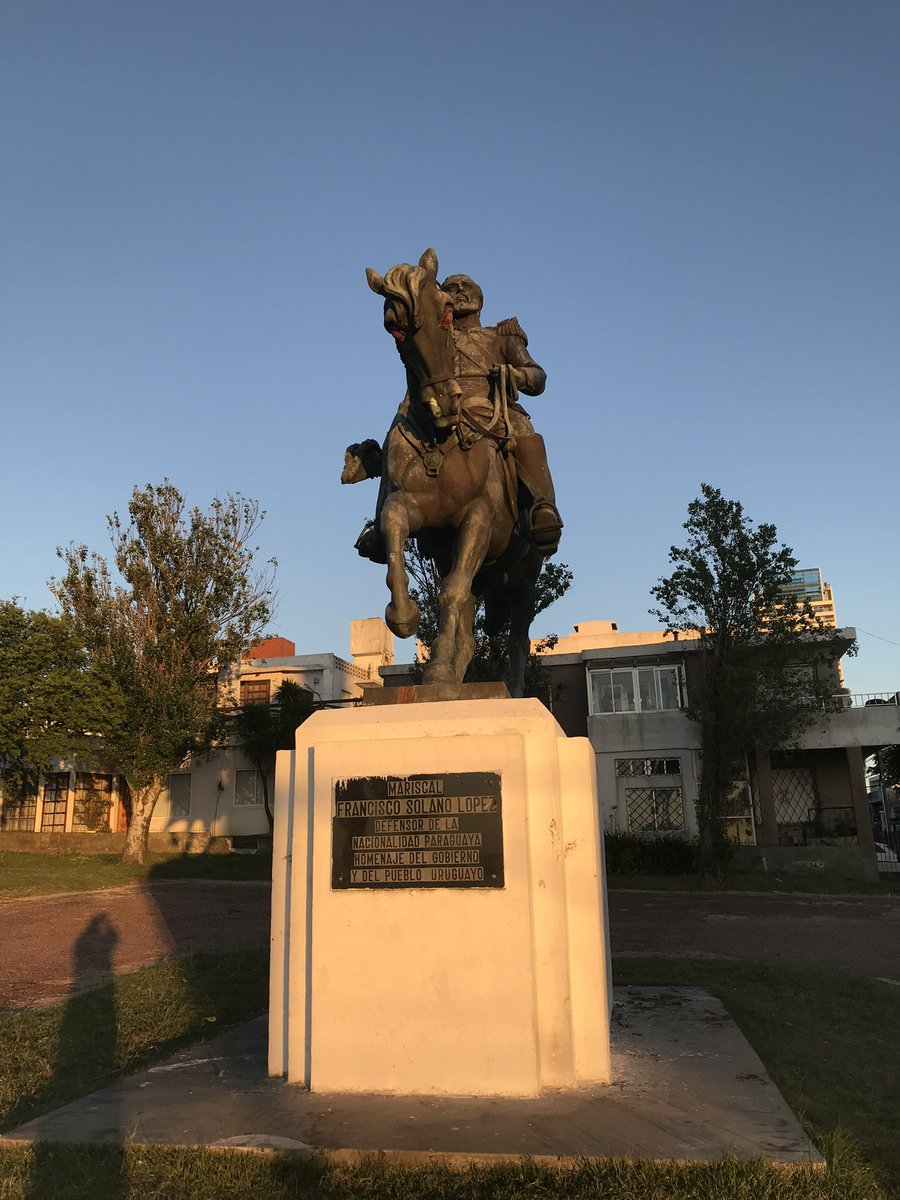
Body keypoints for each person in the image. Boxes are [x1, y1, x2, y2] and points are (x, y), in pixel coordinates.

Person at [355, 271, 564, 561]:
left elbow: (537, 375)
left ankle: (543, 508)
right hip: (439, 403)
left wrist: (516, 374)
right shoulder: (436, 334)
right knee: (397, 434)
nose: (461, 290)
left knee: (526, 432)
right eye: (453, 287)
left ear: (480, 298)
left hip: (492, 408)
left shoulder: (500, 335)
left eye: (468, 286)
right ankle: (380, 526)